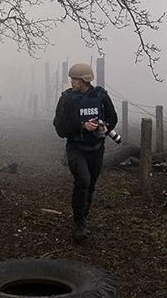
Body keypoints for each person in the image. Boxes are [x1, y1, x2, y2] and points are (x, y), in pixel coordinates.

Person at [53, 63, 118, 242]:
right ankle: (78, 222)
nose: (72, 82)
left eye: (75, 79)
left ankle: (83, 216)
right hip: (76, 147)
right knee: (83, 180)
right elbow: (59, 127)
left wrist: (104, 126)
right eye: (72, 79)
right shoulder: (66, 98)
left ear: (84, 80)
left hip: (96, 148)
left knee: (91, 185)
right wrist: (82, 126)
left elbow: (112, 118)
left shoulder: (100, 96)